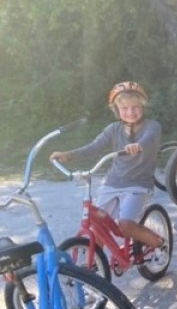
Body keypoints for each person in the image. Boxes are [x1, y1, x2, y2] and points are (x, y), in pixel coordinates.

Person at [49, 82, 168, 257]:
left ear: (143, 105)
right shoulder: (113, 129)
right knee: (98, 225)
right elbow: (94, 147)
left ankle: (160, 243)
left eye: (135, 107)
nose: (130, 111)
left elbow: (149, 140)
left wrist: (138, 146)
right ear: (117, 110)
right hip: (113, 183)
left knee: (126, 225)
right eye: (124, 108)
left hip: (138, 185)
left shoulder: (153, 126)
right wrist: (69, 155)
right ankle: (94, 265)